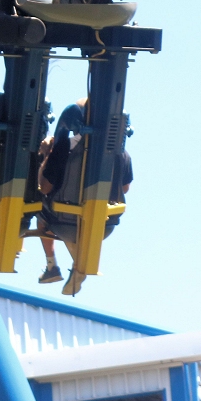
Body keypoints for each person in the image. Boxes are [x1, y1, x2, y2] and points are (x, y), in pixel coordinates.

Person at [36, 99, 132, 296]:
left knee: (40, 210)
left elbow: (45, 187)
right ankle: (80, 264)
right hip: (105, 225)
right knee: (80, 218)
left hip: (65, 222)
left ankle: (51, 265)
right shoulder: (122, 154)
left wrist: (46, 155)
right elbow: (125, 188)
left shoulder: (65, 148)